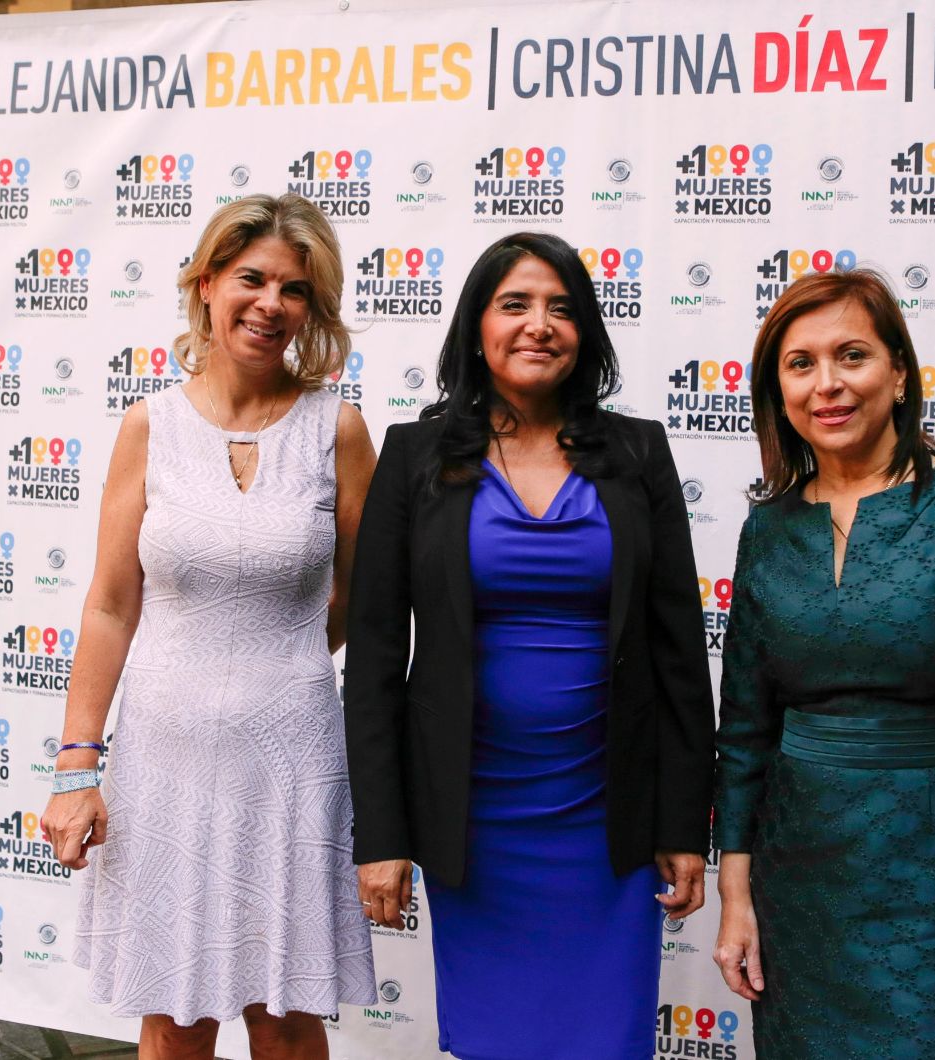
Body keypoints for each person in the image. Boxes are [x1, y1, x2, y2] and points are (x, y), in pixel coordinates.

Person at [344, 231, 715, 1059]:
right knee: (493, 1038)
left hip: (606, 817)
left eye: (561, 307)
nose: (539, 324)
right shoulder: (414, 455)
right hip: (474, 820)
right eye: (515, 304)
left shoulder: (638, 451)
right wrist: (384, 836)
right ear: (477, 324)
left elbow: (678, 654)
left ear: (585, 331)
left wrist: (686, 825)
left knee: (606, 1041)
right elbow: (372, 662)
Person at [710, 269, 935, 1058]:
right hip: (801, 886)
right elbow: (745, 731)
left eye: (852, 355)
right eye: (800, 364)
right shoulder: (766, 531)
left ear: (899, 372)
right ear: (778, 390)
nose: (828, 384)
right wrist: (736, 896)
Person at [40, 193, 378, 1060]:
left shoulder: (336, 430)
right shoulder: (149, 426)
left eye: (295, 289)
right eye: (252, 278)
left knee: (285, 1015)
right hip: (164, 759)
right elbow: (112, 605)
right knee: (173, 1016)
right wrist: (77, 765)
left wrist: (284, 656)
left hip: (293, 760)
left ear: (314, 310)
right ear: (206, 284)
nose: (271, 303)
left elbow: (362, 600)